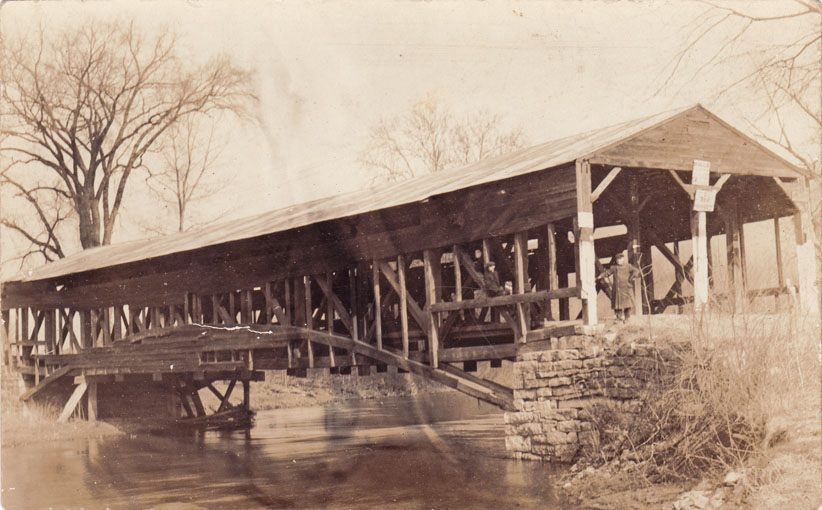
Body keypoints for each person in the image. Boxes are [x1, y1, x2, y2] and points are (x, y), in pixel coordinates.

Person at [597, 251, 640, 323]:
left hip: (626, 288)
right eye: (617, 259)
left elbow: (636, 270)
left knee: (627, 304)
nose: (619, 260)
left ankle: (627, 318)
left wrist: (632, 277)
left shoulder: (628, 266)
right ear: (616, 260)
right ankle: (619, 318)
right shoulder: (614, 268)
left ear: (623, 259)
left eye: (620, 259)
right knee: (617, 304)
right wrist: (601, 276)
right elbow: (607, 272)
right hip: (618, 289)